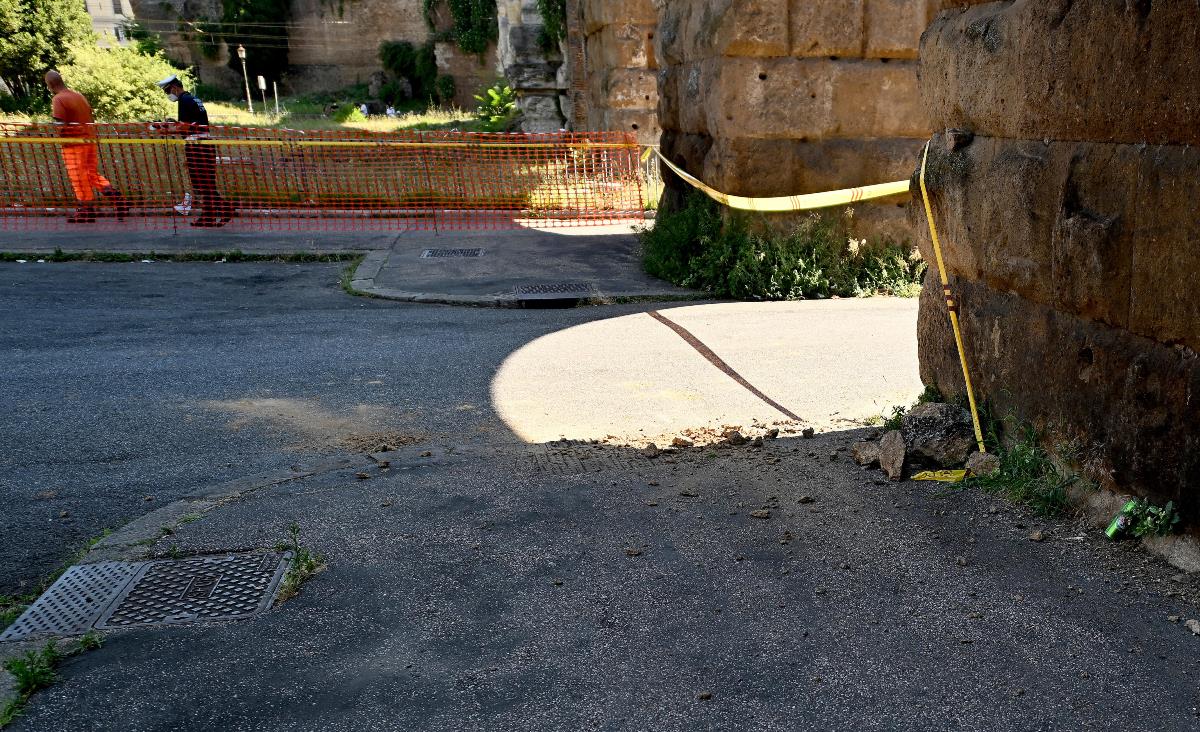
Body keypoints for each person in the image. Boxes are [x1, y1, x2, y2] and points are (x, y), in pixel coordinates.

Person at [44, 71, 128, 223]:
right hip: (89, 141)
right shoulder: (79, 96)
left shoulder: (58, 99)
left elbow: (60, 125)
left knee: (78, 178)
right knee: (90, 174)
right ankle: (117, 198)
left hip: (73, 145)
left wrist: (53, 129)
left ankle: (86, 210)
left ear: (50, 85)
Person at [155, 75, 232, 227]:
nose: (168, 95)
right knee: (205, 183)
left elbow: (185, 126)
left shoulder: (183, 100)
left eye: (167, 92)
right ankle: (210, 215)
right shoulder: (193, 98)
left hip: (197, 145)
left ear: (175, 88)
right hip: (205, 144)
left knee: (203, 183)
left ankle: (224, 209)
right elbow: (193, 124)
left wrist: (166, 130)